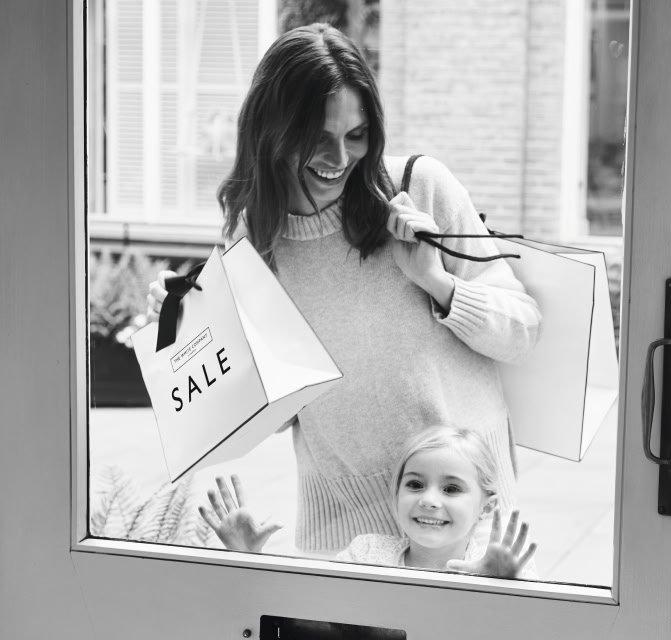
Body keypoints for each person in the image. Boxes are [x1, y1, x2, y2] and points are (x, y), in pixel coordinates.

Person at [147, 23, 542, 556]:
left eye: (355, 135)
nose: (338, 157)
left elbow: (522, 332)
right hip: (342, 522)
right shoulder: (256, 237)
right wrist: (184, 328)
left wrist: (436, 281)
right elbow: (270, 409)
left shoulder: (419, 188)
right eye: (318, 137)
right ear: (273, 130)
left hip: (459, 510)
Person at [200, 427, 537, 578]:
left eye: (451, 489)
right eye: (415, 484)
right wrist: (248, 561)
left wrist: (504, 588)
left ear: (487, 506)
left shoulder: (496, 566)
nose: (430, 500)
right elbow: (306, 613)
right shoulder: (365, 555)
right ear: (396, 496)